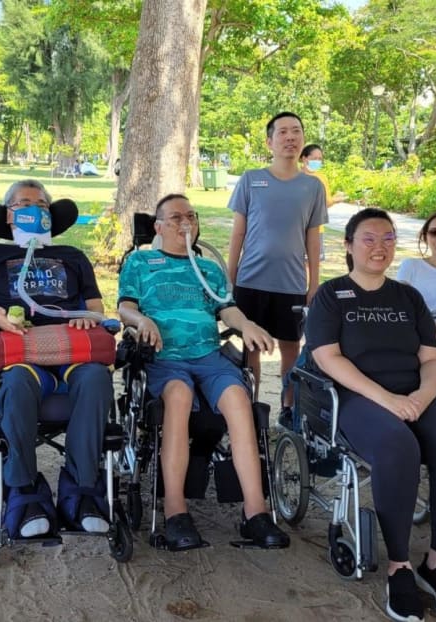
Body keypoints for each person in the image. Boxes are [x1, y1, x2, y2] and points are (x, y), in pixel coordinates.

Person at [306, 208, 436, 622]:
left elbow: (432, 358)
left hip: (417, 393)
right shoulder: (331, 295)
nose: (380, 247)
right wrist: (387, 400)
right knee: (398, 447)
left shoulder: (408, 297)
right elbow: (328, 358)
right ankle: (399, 567)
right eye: (369, 239)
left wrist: (423, 397)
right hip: (358, 398)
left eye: (388, 238)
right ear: (349, 246)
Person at [117, 194, 290, 550]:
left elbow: (227, 310)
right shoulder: (140, 262)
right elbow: (125, 308)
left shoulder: (209, 269)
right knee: (178, 397)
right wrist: (142, 319)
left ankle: (255, 512)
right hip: (165, 358)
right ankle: (176, 512)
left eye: (191, 216)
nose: (185, 223)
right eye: (176, 217)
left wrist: (248, 326)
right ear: (158, 226)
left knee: (239, 400)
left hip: (209, 356)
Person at [0, 179, 112, 538]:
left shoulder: (73, 257)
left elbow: (96, 308)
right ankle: (23, 492)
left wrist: (84, 317)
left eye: (42, 204)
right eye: (24, 203)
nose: (34, 209)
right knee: (17, 382)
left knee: (96, 378)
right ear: (9, 215)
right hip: (18, 353)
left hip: (70, 351)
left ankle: (81, 488)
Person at [227, 112, 327, 426]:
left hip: (291, 284)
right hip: (251, 281)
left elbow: (313, 238)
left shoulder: (312, 187)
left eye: (296, 131)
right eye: (282, 132)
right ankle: (250, 406)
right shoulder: (251, 179)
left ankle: (289, 408)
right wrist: (229, 278)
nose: (290, 137)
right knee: (250, 348)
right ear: (270, 141)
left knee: (290, 348)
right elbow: (238, 233)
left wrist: (314, 284)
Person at [397, 209, 436, 368]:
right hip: (416, 334)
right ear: (425, 237)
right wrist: (427, 329)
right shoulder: (410, 266)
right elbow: (400, 305)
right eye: (434, 232)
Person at [299, 144, 343, 261]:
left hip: (315, 228)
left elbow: (326, 202)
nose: (317, 162)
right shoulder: (294, 176)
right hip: (297, 229)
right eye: (314, 159)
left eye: (320, 159)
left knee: (312, 264)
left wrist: (334, 200)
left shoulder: (321, 178)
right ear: (304, 158)